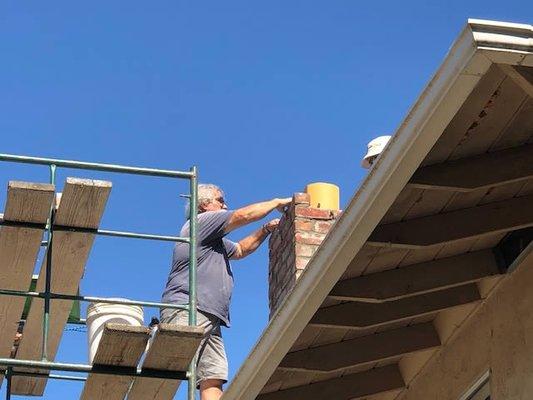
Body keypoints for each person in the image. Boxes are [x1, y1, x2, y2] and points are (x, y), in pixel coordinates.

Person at [161, 183, 291, 400]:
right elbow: (243, 215)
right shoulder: (200, 223)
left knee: (212, 376)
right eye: (220, 200)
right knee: (169, 367)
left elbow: (240, 250)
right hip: (188, 308)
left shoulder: (213, 241)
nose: (225, 204)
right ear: (202, 205)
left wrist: (266, 229)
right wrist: (276, 202)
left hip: (210, 317)